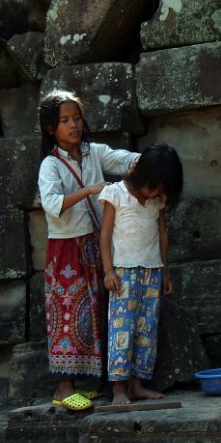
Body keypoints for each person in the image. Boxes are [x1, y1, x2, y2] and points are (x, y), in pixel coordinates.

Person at [37, 90, 140, 411]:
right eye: (65, 120)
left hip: (97, 244)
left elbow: (121, 160)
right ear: (51, 128)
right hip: (67, 249)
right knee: (67, 314)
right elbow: (52, 204)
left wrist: (146, 162)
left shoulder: (93, 153)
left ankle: (91, 382)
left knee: (96, 310)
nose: (73, 125)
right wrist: (89, 191)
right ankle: (63, 388)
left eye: (77, 118)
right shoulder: (50, 165)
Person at [98, 142, 184, 406]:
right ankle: (119, 389)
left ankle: (137, 385)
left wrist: (165, 272)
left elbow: (162, 235)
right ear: (141, 174)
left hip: (152, 272)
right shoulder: (116, 194)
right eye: (154, 185)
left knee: (147, 330)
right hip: (123, 273)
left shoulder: (157, 201)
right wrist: (108, 270)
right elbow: (105, 235)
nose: (157, 192)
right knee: (122, 330)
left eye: (162, 188)